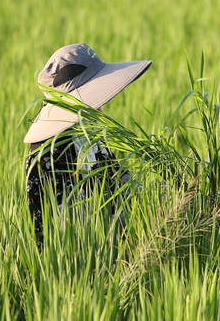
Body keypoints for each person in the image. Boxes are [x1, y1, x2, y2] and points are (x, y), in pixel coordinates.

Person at [24, 43, 151, 245]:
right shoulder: (47, 156)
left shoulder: (90, 135)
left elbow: (118, 187)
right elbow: (71, 226)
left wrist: (168, 197)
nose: (101, 104)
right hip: (83, 262)